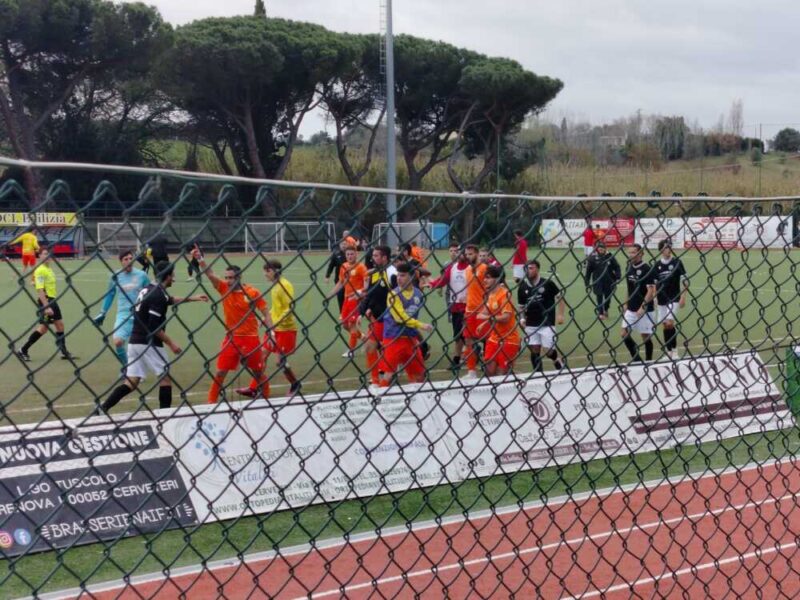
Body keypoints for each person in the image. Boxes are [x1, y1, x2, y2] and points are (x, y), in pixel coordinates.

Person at [97, 262, 208, 413]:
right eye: (172, 275)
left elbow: (169, 300)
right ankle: (164, 415)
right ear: (167, 276)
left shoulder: (149, 289)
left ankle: (103, 407)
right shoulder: (158, 295)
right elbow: (153, 326)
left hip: (134, 342)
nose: (174, 278)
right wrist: (171, 343)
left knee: (131, 382)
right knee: (165, 378)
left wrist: (193, 298)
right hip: (149, 343)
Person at [194, 253, 271, 404]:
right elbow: (210, 274)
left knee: (257, 372)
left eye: (231, 278)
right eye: (226, 277)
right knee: (220, 372)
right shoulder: (223, 288)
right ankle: (211, 402)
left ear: (239, 277)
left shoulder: (252, 292)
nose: (228, 281)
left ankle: (266, 397)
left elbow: (265, 312)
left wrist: (271, 331)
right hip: (231, 339)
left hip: (250, 339)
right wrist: (200, 259)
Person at [238, 259, 302, 397]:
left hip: (285, 329)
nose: (265, 274)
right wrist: (265, 318)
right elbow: (276, 307)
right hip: (274, 328)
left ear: (276, 271)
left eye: (268, 271)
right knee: (262, 356)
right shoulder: (275, 285)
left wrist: (275, 323)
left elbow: (289, 308)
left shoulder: (285, 285)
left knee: (280, 362)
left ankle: (295, 383)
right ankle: (254, 388)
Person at [378, 262, 433, 387]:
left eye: (402, 275)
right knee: (388, 375)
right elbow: (400, 317)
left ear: (412, 277)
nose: (398, 278)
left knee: (420, 374)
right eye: (398, 275)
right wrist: (420, 325)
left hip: (410, 339)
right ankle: (380, 396)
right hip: (393, 338)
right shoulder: (393, 294)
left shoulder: (418, 294)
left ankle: (418, 395)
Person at [93, 249, 151, 367]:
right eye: (126, 259)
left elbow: (150, 292)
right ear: (121, 261)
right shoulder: (115, 277)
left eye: (131, 258)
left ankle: (138, 369)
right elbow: (110, 294)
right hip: (123, 315)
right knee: (118, 342)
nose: (129, 261)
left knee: (141, 347)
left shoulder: (142, 275)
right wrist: (103, 312)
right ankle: (127, 367)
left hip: (140, 315)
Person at [16, 247, 73, 361]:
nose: (48, 256)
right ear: (40, 256)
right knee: (43, 328)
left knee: (60, 325)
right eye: (45, 254)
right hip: (46, 301)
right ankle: (23, 350)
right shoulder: (40, 270)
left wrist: (34, 282)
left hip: (52, 300)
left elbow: (35, 282)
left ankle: (63, 351)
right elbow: (40, 290)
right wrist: (46, 306)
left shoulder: (48, 269)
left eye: (49, 254)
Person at [518, 259, 566, 373]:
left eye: (531, 268)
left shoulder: (547, 283)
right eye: (526, 269)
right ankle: (538, 374)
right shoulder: (522, 287)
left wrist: (560, 314)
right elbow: (521, 307)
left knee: (548, 351)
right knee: (534, 349)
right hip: (531, 324)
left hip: (547, 323)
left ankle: (557, 360)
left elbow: (560, 297)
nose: (528, 271)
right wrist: (522, 318)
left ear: (537, 269)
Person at [359, 245, 397, 386]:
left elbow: (396, 297)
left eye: (376, 256)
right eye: (373, 255)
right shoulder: (375, 272)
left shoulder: (392, 273)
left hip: (389, 318)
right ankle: (376, 379)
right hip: (377, 318)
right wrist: (363, 310)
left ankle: (385, 376)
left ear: (384, 257)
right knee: (372, 347)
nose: (372, 258)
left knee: (384, 348)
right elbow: (371, 293)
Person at [429, 244, 469, 370]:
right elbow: (443, 280)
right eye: (458, 252)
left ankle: (473, 355)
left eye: (463, 252)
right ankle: (457, 360)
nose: (459, 254)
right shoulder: (452, 267)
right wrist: (432, 284)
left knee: (469, 335)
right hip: (456, 305)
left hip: (470, 306)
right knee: (458, 335)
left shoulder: (471, 268)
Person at [477, 264, 520, 377]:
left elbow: (506, 317)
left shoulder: (505, 294)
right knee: (489, 372)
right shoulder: (490, 295)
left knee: (502, 375)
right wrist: (486, 320)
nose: (484, 280)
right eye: (484, 277)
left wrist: (487, 319)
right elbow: (481, 314)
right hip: (494, 339)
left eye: (488, 277)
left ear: (496, 279)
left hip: (509, 340)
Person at [328, 246, 368, 359]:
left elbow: (366, 286)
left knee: (352, 325)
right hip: (346, 300)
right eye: (348, 254)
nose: (350, 256)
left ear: (356, 254)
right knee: (345, 325)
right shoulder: (344, 267)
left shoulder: (361, 267)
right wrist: (331, 294)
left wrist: (359, 293)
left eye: (352, 254)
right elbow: (341, 283)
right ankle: (364, 337)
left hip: (357, 300)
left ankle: (351, 350)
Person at [653, 239, 688, 360]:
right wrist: (655, 298)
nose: (669, 249)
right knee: (664, 325)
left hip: (674, 297)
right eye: (666, 247)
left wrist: (683, 297)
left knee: (669, 323)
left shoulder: (677, 262)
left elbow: (685, 281)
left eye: (670, 247)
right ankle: (668, 352)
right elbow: (655, 283)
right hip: (661, 298)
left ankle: (675, 351)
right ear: (661, 250)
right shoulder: (657, 265)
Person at [622, 244, 657, 363]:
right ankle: (637, 360)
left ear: (641, 253)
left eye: (633, 252)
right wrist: (626, 302)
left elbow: (651, 290)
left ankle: (648, 361)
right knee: (624, 333)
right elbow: (629, 287)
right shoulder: (628, 267)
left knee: (645, 336)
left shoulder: (647, 269)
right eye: (629, 252)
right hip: (631, 307)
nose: (631, 255)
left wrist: (643, 307)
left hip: (645, 309)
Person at [463, 244, 488, 378]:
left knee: (487, 340)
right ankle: (471, 371)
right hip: (469, 310)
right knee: (469, 341)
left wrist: (486, 308)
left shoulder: (484, 269)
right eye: (466, 254)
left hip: (483, 310)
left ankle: (489, 367)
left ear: (477, 254)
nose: (468, 256)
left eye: (471, 254)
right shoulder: (467, 269)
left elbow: (489, 289)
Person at [584, 241, 621, 321]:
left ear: (605, 249)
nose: (601, 250)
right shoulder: (592, 258)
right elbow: (588, 272)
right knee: (599, 296)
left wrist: (618, 277)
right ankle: (600, 313)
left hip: (609, 281)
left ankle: (606, 309)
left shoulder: (610, 257)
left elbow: (617, 267)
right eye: (599, 249)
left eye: (602, 248)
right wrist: (587, 282)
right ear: (597, 249)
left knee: (608, 297)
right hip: (597, 281)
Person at [325, 240, 348, 312]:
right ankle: (342, 313)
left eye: (345, 244)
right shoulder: (336, 255)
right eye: (342, 244)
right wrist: (327, 276)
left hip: (350, 279)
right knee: (340, 297)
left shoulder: (350, 254)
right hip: (339, 279)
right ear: (340, 245)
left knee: (349, 297)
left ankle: (349, 312)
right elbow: (331, 266)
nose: (343, 245)